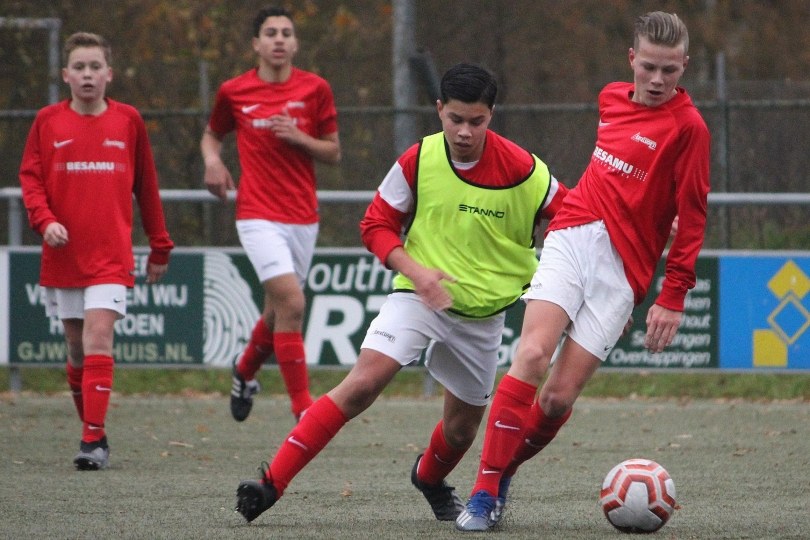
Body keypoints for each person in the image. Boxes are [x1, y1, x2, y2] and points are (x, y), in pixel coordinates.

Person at [232, 62, 569, 524]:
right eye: (454, 119)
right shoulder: (418, 159)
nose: (464, 131)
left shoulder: (527, 171)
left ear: (493, 114)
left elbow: (575, 221)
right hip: (417, 294)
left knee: (461, 430)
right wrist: (416, 270)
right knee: (363, 383)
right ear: (438, 110)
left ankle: (428, 477)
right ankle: (270, 483)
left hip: (484, 314)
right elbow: (375, 224)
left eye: (476, 121)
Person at [456, 11, 710, 531]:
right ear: (632, 60)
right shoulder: (610, 99)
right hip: (573, 235)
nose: (658, 81)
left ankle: (502, 474)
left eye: (670, 70)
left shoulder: (690, 130)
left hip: (625, 272)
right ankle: (482, 495)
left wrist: (673, 293)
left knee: (555, 399)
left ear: (684, 66)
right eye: (650, 68)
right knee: (530, 353)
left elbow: (694, 213)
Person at [18, 32, 174, 470]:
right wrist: (45, 221)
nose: (87, 75)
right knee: (75, 348)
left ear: (109, 73)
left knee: (98, 335)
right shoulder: (47, 122)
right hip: (65, 256)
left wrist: (160, 245)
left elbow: (147, 186)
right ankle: (96, 430)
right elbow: (30, 179)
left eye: (95, 67)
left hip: (111, 255)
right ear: (66, 75)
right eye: (79, 68)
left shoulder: (128, 121)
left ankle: (91, 442)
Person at [200, 7, 341, 423]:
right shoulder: (234, 90)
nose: (279, 39)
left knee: (277, 309)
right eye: (270, 33)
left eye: (286, 33)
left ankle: (244, 370)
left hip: (302, 216)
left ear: (295, 44)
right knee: (293, 303)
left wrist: (300, 138)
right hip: (257, 213)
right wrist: (212, 160)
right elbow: (212, 134)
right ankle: (304, 410)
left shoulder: (315, 89)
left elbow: (334, 152)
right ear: (256, 44)